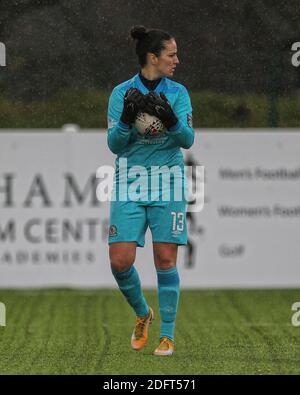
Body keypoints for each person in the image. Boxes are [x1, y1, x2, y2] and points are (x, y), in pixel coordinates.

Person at [107, 25, 194, 356]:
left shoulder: (178, 93)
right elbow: (115, 144)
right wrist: (128, 118)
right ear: (153, 57)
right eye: (171, 54)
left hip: (168, 179)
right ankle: (143, 313)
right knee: (119, 261)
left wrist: (171, 119)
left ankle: (167, 336)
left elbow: (186, 140)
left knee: (165, 257)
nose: (177, 60)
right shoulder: (121, 94)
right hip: (129, 179)